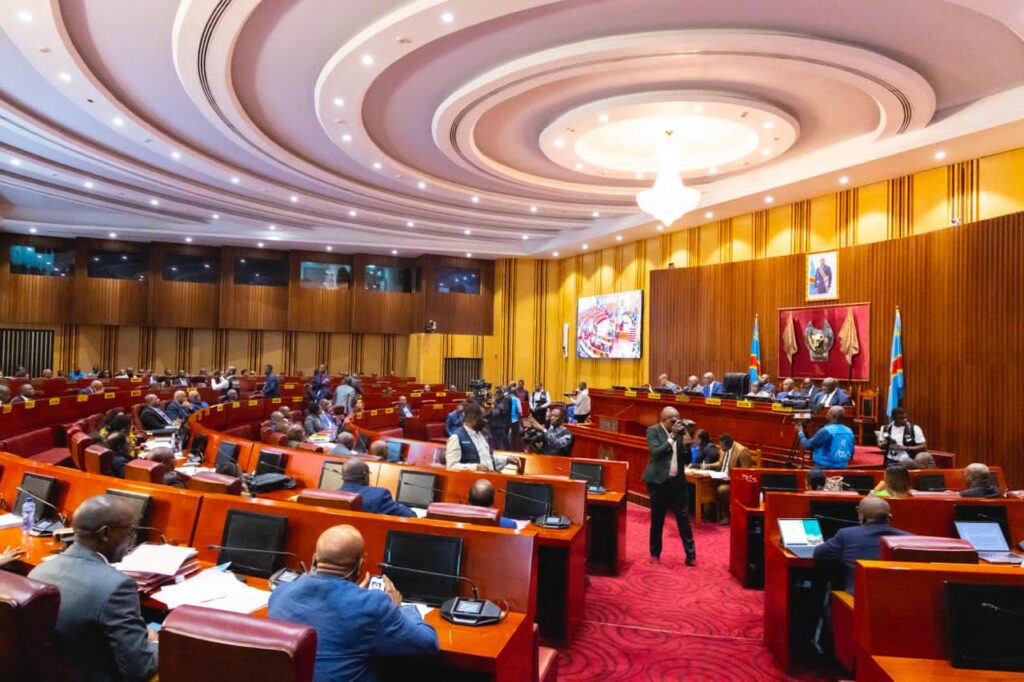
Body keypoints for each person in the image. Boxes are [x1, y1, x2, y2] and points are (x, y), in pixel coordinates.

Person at [268, 525, 439, 682]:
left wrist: (354, 592)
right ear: (360, 566)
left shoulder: (280, 593)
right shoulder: (372, 605)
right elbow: (428, 645)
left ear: (314, 559)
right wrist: (399, 608)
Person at [28, 495, 158, 681]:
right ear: (105, 534)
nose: (132, 539)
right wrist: (156, 642)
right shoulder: (117, 586)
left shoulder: (38, 572)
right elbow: (139, 669)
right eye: (130, 531)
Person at [812, 496, 910, 593]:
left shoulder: (846, 534)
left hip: (856, 602)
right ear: (889, 517)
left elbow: (818, 553)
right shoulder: (909, 539)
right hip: (897, 601)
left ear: (861, 516)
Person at [642, 407, 697, 566]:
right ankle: (655, 554)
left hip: (678, 482)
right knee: (657, 519)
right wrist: (672, 436)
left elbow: (685, 460)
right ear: (663, 419)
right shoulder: (653, 430)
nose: (676, 423)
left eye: (678, 419)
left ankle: (691, 555)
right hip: (658, 482)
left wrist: (687, 446)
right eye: (673, 420)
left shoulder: (681, 433)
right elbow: (656, 453)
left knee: (684, 519)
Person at [446, 402, 512, 473]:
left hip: (490, 479)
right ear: (473, 418)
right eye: (483, 417)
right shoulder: (456, 437)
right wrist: (475, 467)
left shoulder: (482, 434)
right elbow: (451, 466)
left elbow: (488, 460)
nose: (486, 421)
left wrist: (506, 460)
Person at [339, 459, 416, 518]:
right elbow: (410, 516)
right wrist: (400, 506)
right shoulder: (379, 495)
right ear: (365, 475)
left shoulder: (334, 497)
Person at [709, 433, 755, 525]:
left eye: (722, 446)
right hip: (724, 479)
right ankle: (717, 515)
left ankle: (728, 516)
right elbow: (720, 464)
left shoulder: (742, 451)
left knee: (722, 489)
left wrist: (731, 478)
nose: (721, 449)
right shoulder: (724, 449)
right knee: (710, 484)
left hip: (736, 484)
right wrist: (704, 466)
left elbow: (746, 475)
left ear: (729, 444)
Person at [487, 386, 511, 451]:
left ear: (499, 395)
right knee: (494, 444)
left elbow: (495, 413)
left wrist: (493, 405)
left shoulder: (502, 404)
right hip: (493, 426)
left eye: (495, 395)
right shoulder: (498, 403)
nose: (493, 397)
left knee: (500, 445)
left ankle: (503, 458)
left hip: (498, 427)